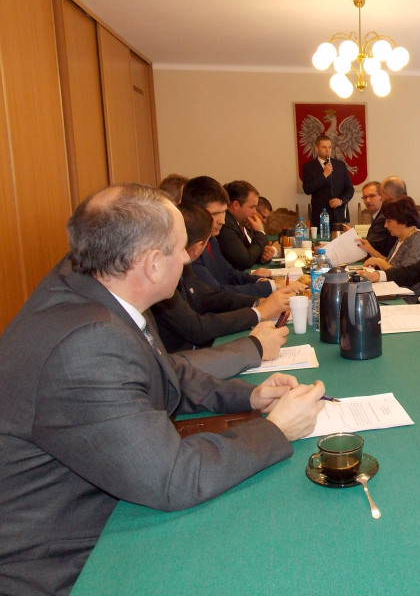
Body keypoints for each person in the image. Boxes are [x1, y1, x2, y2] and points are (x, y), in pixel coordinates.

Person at [0, 184, 325, 595]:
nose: (189, 259)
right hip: (64, 559)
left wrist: (248, 396)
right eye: (181, 249)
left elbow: (163, 372)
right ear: (153, 264)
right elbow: (173, 478)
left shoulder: (98, 288)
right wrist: (276, 430)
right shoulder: (88, 343)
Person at [151, 202, 300, 353]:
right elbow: (197, 328)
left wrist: (257, 302)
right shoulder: (162, 280)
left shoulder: (186, 264)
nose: (222, 220)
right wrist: (259, 313)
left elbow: (209, 296)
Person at [182, 176, 275, 298]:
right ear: (196, 213)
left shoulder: (212, 239)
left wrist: (259, 281)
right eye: (215, 214)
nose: (222, 221)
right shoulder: (191, 247)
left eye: (223, 212)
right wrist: (269, 288)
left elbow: (228, 273)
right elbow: (216, 293)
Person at [356, 196, 420, 296]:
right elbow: (392, 263)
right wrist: (374, 255)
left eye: (389, 221)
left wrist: (379, 261)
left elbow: (404, 276)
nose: (385, 225)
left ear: (403, 221)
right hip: (393, 290)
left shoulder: (419, 241)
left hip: (407, 297)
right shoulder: (401, 237)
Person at [218, 179, 274, 270]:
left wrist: (263, 257)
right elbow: (245, 261)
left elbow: (248, 253)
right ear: (236, 205)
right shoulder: (226, 225)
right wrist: (260, 232)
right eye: (252, 207)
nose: (254, 212)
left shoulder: (241, 222)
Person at [302, 135, 354, 226]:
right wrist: (324, 175)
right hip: (320, 217)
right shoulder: (308, 167)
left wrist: (341, 200)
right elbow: (307, 189)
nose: (327, 150)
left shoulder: (340, 165)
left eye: (329, 147)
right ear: (316, 148)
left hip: (340, 216)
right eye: (324, 147)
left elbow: (350, 189)